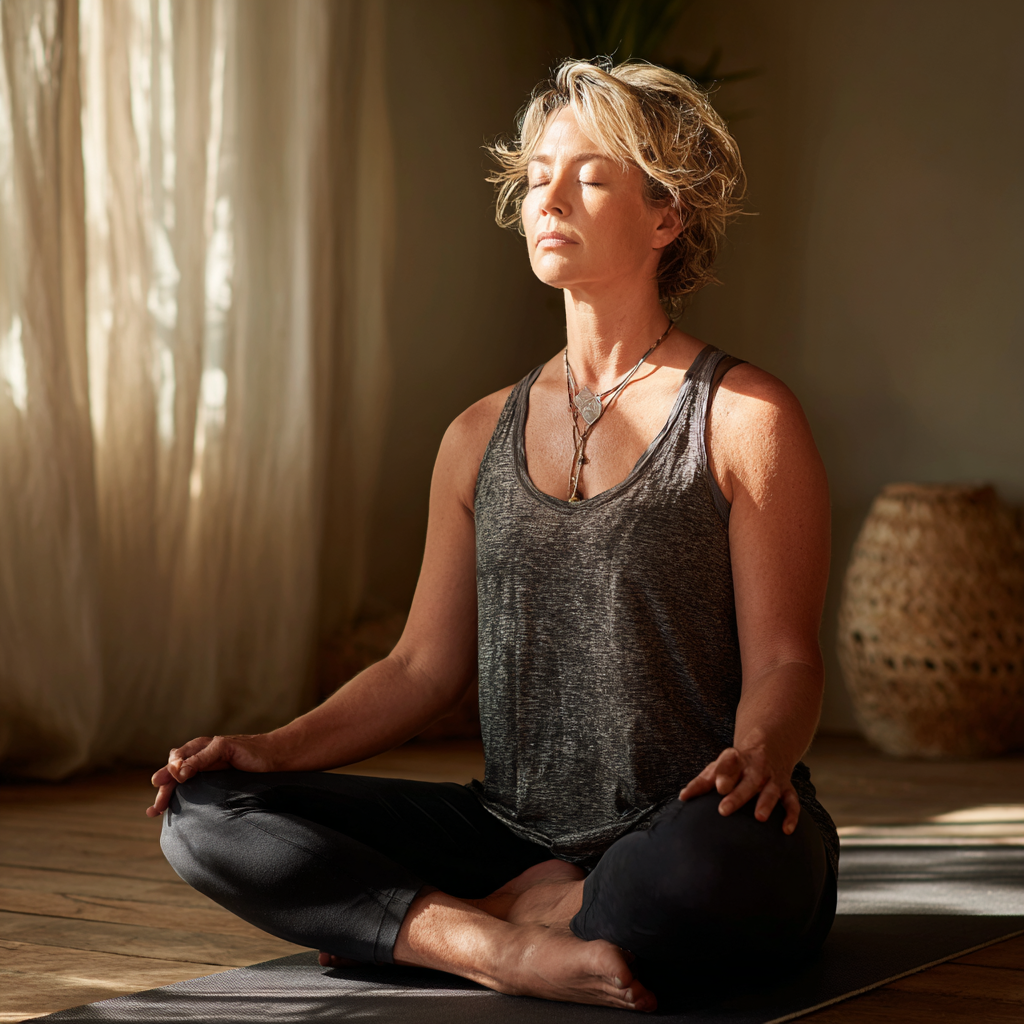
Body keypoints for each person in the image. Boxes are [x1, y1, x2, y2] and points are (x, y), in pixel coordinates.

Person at [148, 59, 837, 1014]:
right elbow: (420, 669)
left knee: (712, 869)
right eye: (538, 176)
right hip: (508, 830)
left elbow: (788, 661)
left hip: (691, 822)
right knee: (202, 815)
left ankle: (476, 921)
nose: (548, 199)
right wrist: (272, 747)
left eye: (589, 178)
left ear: (665, 217)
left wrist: (759, 753)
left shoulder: (744, 419)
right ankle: (496, 942)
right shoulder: (477, 437)